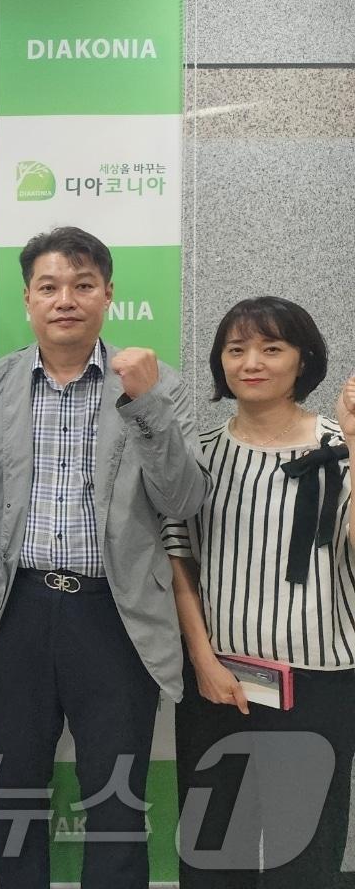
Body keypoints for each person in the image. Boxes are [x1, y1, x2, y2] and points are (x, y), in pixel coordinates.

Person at [0, 226, 208, 889]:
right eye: (50, 286)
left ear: (108, 294)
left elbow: (182, 499)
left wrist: (145, 404)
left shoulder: (160, 385)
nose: (66, 299)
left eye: (83, 285)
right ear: (28, 298)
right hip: (17, 609)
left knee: (116, 795)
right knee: (17, 790)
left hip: (117, 615)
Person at [165, 297, 355, 887]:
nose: (252, 363)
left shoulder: (341, 448)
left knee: (307, 855)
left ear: (304, 360)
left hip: (319, 681)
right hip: (219, 682)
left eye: (272, 348)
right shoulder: (198, 455)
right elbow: (179, 561)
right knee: (215, 849)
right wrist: (202, 661)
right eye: (236, 349)